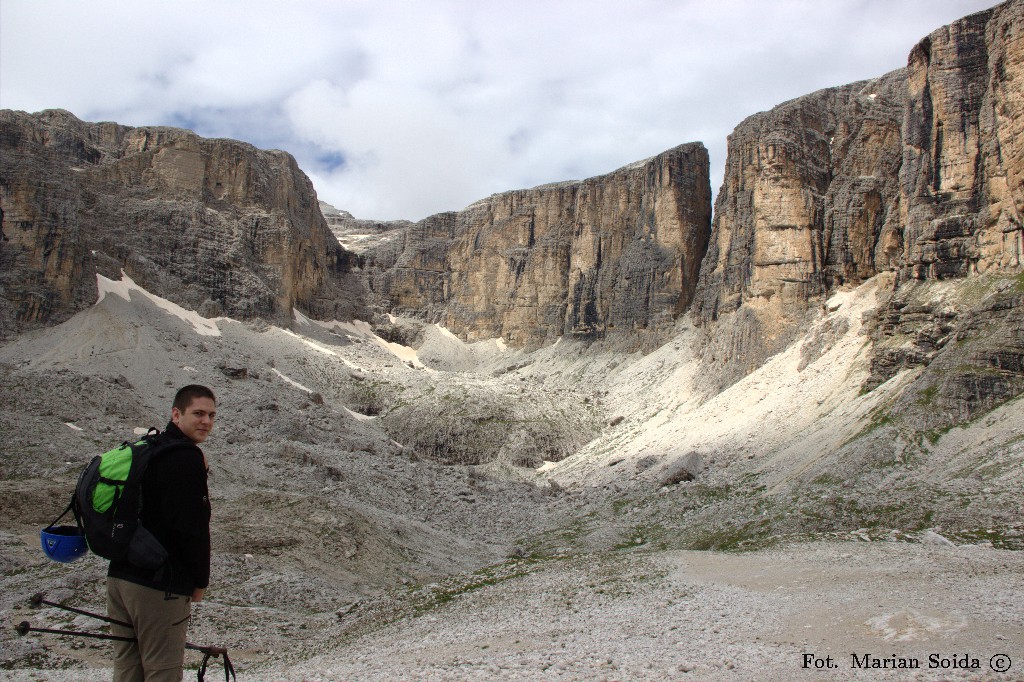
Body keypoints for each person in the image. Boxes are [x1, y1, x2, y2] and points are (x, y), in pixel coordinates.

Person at [106, 384, 216, 682]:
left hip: (120, 576)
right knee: (162, 671)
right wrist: (199, 581)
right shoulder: (185, 457)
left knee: (127, 668)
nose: (206, 421)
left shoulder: (149, 447)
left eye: (211, 415)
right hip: (158, 584)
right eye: (198, 413)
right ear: (176, 413)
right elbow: (192, 528)